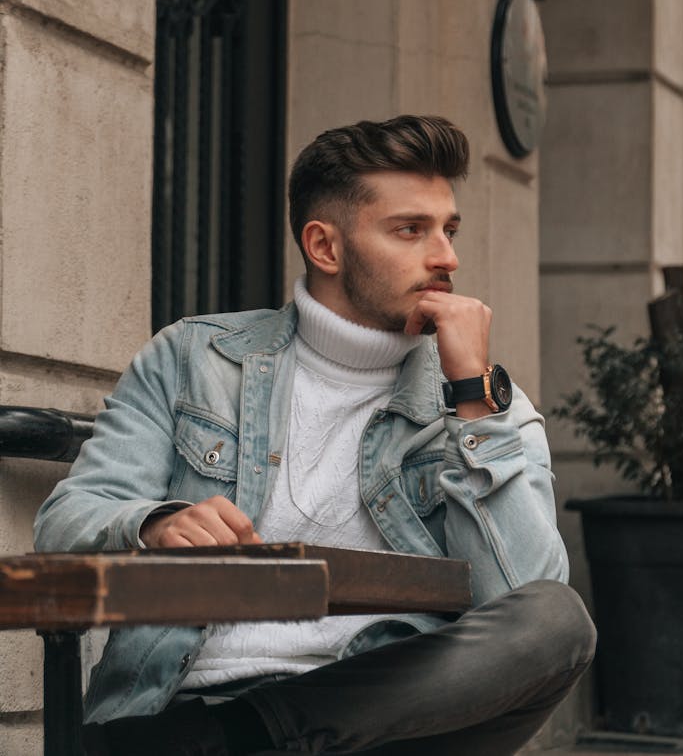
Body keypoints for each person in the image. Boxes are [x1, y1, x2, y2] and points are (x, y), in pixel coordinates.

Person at [35, 114, 595, 756]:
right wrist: (155, 522)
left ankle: (247, 739)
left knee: (559, 619)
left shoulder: (487, 404)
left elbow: (525, 607)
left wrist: (471, 397)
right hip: (186, 703)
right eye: (411, 230)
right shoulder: (194, 359)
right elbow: (66, 519)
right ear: (325, 247)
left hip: (372, 724)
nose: (447, 257)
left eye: (449, 229)